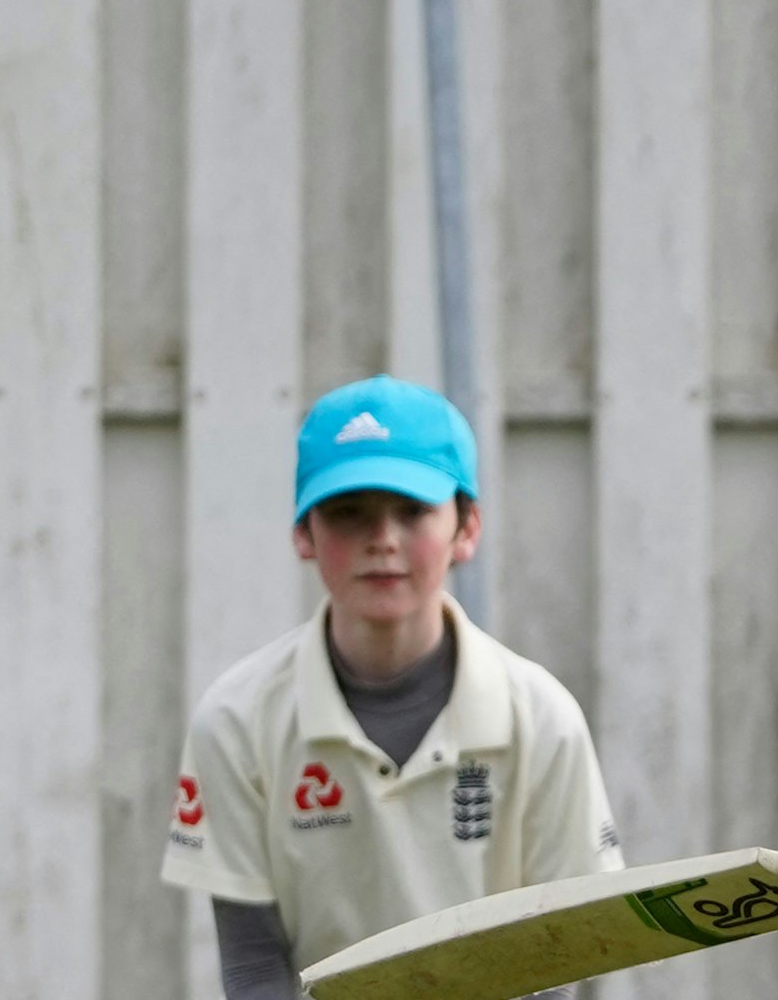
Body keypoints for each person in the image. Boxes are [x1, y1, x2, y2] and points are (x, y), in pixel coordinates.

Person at [161, 374, 623, 1000]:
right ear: (304, 532)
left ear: (467, 529)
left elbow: (564, 956)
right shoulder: (237, 718)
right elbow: (252, 963)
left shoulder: (541, 717)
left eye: (412, 511)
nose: (382, 540)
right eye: (349, 513)